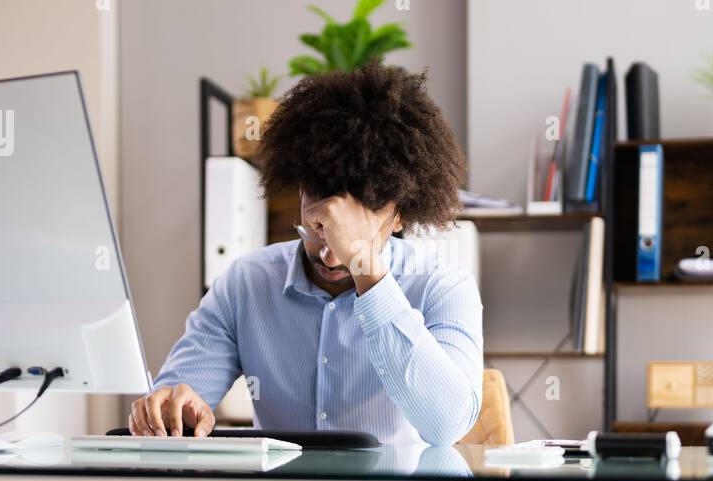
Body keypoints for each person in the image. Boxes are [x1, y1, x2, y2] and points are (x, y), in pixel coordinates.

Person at [129, 62, 482, 446]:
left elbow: (447, 426)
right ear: (300, 193)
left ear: (399, 215)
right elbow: (179, 402)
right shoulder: (245, 285)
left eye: (349, 237)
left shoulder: (442, 283)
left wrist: (366, 269)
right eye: (317, 228)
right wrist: (172, 410)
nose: (331, 257)